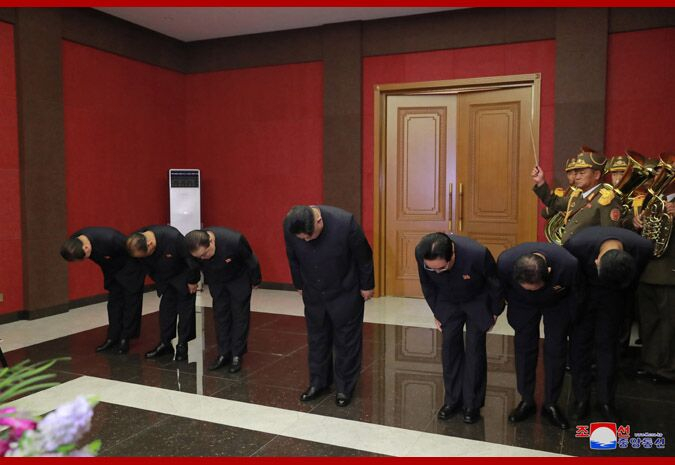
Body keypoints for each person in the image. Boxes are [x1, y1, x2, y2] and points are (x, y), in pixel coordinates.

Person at [283, 205, 374, 407]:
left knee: (346, 340)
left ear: (319, 221)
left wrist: (367, 285)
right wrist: (299, 284)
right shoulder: (291, 224)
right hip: (313, 291)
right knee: (317, 338)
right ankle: (319, 382)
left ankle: (345, 387)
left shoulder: (345, 223)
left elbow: (364, 256)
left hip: (345, 289)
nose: (306, 241)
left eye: (309, 236)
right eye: (302, 239)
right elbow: (292, 257)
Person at [563, 226, 652, 423]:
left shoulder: (643, 247)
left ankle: (606, 401)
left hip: (616, 295)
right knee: (580, 347)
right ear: (596, 260)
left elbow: (633, 279)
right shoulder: (576, 245)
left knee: (609, 347)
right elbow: (572, 278)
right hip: (584, 295)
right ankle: (581, 399)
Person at [415, 232, 503, 424]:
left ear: (452, 255)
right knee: (449, 348)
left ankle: (472, 404)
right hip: (447, 301)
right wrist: (437, 312)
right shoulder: (422, 253)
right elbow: (426, 284)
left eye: (442, 268)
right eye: (432, 269)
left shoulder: (477, 254)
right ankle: (452, 400)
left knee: (474, 349)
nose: (437, 272)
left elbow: (494, 283)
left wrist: (495, 310)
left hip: (476, 299)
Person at [497, 243, 579, 430]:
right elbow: (501, 288)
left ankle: (551, 403)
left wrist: (575, 321)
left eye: (534, 288)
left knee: (556, 349)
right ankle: (527, 399)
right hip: (521, 304)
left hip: (557, 303)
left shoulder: (568, 264)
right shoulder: (506, 262)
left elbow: (576, 293)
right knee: (524, 349)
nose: (531, 291)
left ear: (548, 272)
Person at [185, 228, 262, 373]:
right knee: (221, 316)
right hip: (216, 281)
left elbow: (250, 259)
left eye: (205, 254)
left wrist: (255, 279)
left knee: (239, 316)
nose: (203, 258)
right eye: (199, 257)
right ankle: (223, 353)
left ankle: (237, 355)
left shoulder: (234, 241)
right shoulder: (193, 248)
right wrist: (192, 280)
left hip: (238, 279)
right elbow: (193, 265)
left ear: (211, 241)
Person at [60, 227, 145, 354]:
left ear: (86, 248)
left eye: (85, 257)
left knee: (130, 304)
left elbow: (135, 253)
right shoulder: (74, 242)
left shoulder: (111, 238)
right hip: (111, 269)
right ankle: (112, 337)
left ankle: (125, 338)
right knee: (113, 304)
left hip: (131, 267)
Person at [126, 225, 200, 361]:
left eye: (146, 255)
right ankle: (165, 344)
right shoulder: (137, 239)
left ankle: (182, 345)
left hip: (183, 275)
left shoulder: (173, 237)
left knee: (185, 313)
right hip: (164, 278)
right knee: (166, 312)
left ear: (150, 244)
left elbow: (190, 259)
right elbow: (145, 265)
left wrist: (193, 280)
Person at [631, 175, 675, 382]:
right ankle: (650, 364)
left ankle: (668, 369)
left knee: (669, 325)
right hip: (647, 270)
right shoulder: (652, 200)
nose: (661, 177)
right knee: (649, 322)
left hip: (670, 273)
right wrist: (636, 222)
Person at [533, 147, 622, 243]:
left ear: (596, 175)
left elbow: (609, 236)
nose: (577, 177)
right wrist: (540, 181)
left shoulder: (606, 199)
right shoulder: (577, 196)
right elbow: (554, 202)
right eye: (576, 173)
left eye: (582, 173)